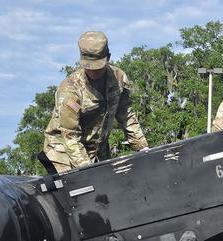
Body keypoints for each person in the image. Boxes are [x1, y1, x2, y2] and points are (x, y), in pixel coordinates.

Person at [43, 31, 149, 173]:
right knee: (80, 189)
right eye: (88, 66)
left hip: (98, 146)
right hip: (64, 151)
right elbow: (70, 136)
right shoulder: (70, 91)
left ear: (108, 58)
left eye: (97, 67)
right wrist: (88, 170)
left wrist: (142, 147)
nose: (92, 72)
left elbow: (126, 115)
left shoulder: (118, 79)